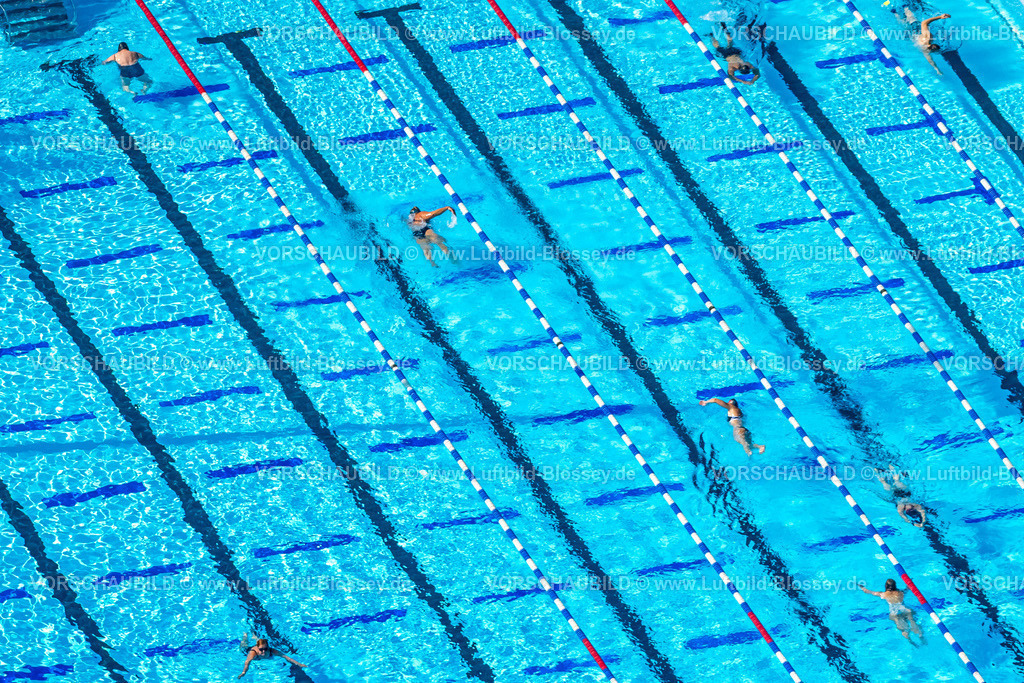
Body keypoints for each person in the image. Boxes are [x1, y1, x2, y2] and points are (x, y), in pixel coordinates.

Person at [861, 579, 925, 644]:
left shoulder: (883, 594)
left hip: (896, 614)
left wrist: (861, 586)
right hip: (906, 610)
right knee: (913, 623)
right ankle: (921, 637)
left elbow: (868, 591)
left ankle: (912, 642)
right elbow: (907, 589)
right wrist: (908, 584)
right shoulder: (900, 592)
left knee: (904, 630)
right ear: (895, 586)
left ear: (886, 586)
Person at [698, 397, 765, 456]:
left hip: (738, 430)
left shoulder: (731, 407)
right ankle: (760, 446)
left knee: (746, 447)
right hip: (743, 429)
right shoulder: (739, 412)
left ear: (730, 402)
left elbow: (715, 400)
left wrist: (706, 402)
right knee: (749, 445)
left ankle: (750, 458)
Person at [898, 9, 951, 74]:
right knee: (902, 22)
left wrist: (939, 17)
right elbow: (930, 60)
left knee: (909, 15)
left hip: (914, 31)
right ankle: (896, 11)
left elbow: (924, 23)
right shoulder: (925, 49)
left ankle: (902, 8)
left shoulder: (928, 39)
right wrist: (937, 69)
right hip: (912, 33)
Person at [238, 634, 307, 678]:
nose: (263, 651)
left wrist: (299, 664)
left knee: (260, 641)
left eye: (265, 649)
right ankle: (245, 635)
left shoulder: (272, 651)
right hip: (249, 649)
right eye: (261, 649)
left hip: (260, 645)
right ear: (258, 648)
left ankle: (255, 636)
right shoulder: (253, 653)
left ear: (268, 647)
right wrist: (244, 672)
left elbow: (286, 657)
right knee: (242, 647)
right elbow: (247, 662)